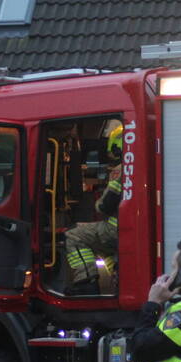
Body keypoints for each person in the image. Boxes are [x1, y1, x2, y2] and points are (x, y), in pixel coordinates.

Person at [64, 123, 124, 295]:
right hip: (124, 229)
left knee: (75, 234)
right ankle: (119, 276)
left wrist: (97, 205)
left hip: (115, 229)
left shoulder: (121, 170)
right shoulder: (135, 167)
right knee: (100, 244)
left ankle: (85, 282)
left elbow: (105, 206)